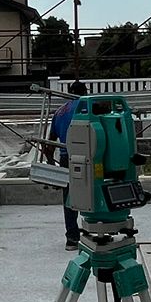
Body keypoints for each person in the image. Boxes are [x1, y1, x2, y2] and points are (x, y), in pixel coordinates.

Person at [44, 77, 87, 249]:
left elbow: (50, 142)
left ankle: (72, 238)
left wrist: (50, 163)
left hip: (65, 158)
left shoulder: (59, 112)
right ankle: (96, 232)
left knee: (69, 198)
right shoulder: (86, 106)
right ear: (84, 92)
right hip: (86, 157)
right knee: (94, 193)